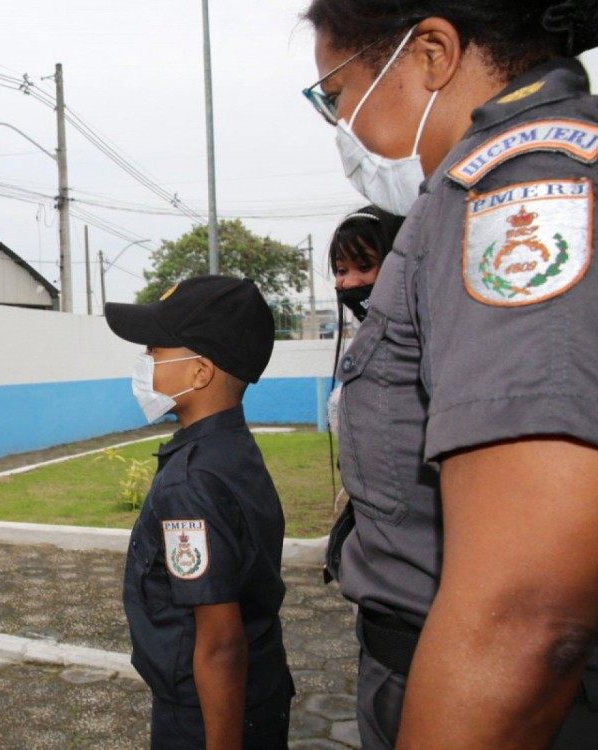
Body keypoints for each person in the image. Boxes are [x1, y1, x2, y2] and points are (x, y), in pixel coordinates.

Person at [303, 2, 598, 747]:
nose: (343, 131)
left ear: (431, 52)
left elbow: (526, 609)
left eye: (336, 95)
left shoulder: (518, 187)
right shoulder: (467, 192)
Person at [105, 276, 294, 750]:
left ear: (200, 372)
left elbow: (220, 644)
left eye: (155, 351)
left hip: (207, 716)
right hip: (256, 694)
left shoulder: (190, 483)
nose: (145, 364)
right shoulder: (232, 451)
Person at [325, 205, 402, 437]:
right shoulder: (364, 343)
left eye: (364, 266)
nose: (349, 282)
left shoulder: (424, 345)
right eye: (341, 270)